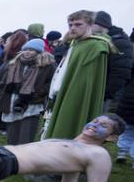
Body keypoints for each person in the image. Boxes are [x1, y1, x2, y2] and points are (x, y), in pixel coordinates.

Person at [44, 11, 113, 140]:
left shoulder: (95, 46)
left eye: (78, 24)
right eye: (70, 25)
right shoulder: (76, 44)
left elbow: (86, 81)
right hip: (63, 91)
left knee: (69, 125)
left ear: (90, 25)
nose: (73, 28)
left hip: (77, 94)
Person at [0, 39, 55, 145]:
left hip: (31, 104)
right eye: (26, 49)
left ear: (38, 51)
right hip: (12, 102)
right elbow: (2, 82)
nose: (27, 52)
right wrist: (1, 96)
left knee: (26, 137)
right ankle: (13, 158)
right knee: (12, 137)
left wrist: (38, 94)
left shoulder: (47, 65)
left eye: (31, 50)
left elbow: (50, 84)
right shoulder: (14, 63)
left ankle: (25, 160)